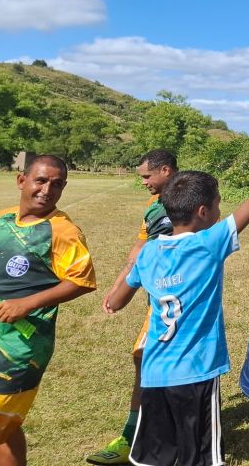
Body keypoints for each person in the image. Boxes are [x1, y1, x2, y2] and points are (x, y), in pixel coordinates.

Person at [104, 114, 249, 466]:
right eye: (219, 205)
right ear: (204, 212)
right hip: (196, 373)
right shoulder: (209, 243)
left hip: (154, 375)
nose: (221, 211)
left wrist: (113, 299)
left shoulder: (149, 252)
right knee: (199, 458)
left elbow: (120, 296)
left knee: (154, 457)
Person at [0, 155, 97, 466]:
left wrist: (27, 303)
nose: (48, 189)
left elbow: (82, 281)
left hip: (19, 350)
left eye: (57, 184)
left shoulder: (62, 232)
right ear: (21, 181)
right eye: (41, 180)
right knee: (6, 428)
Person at [88, 150, 178, 465]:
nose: (143, 182)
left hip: (184, 305)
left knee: (154, 362)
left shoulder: (190, 200)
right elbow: (138, 249)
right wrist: (117, 287)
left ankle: (152, 436)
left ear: (165, 171)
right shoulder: (153, 209)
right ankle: (134, 434)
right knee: (143, 360)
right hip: (159, 302)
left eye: (146, 176)